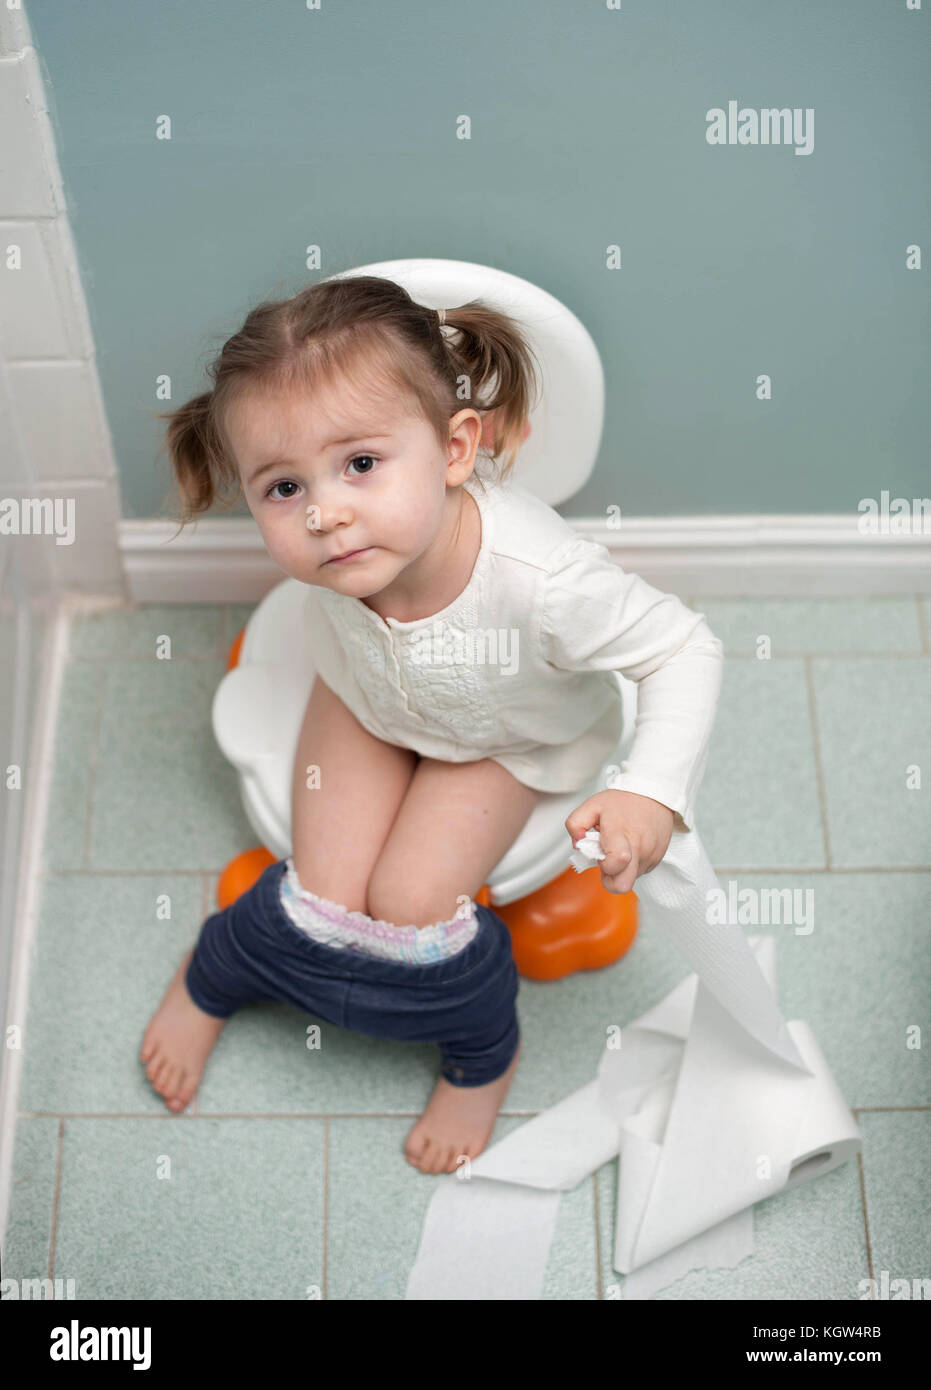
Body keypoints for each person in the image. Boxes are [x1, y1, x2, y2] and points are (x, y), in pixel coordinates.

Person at [140, 274, 725, 1174]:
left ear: (456, 449)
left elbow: (683, 648)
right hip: (363, 696)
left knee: (409, 906)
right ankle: (216, 969)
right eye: (283, 487)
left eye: (361, 464)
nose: (325, 514)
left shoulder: (544, 581)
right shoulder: (355, 547)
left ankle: (481, 1052)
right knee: (321, 893)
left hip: (504, 738)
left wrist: (648, 791)